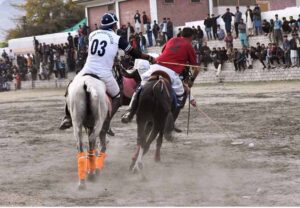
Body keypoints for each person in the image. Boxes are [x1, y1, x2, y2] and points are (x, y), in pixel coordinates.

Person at [59, 13, 155, 130]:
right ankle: (106, 123)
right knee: (117, 96)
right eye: (115, 24)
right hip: (104, 72)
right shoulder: (117, 38)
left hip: (87, 69)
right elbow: (134, 53)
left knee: (71, 86)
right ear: (114, 25)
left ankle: (67, 117)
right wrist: (149, 58)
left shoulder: (92, 34)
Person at [121, 27, 199, 124]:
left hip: (156, 66)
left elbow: (163, 51)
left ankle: (129, 112)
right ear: (191, 37)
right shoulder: (189, 46)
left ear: (182, 34)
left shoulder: (172, 39)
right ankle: (170, 121)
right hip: (171, 72)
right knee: (180, 97)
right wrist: (191, 80)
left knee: (141, 87)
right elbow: (196, 68)